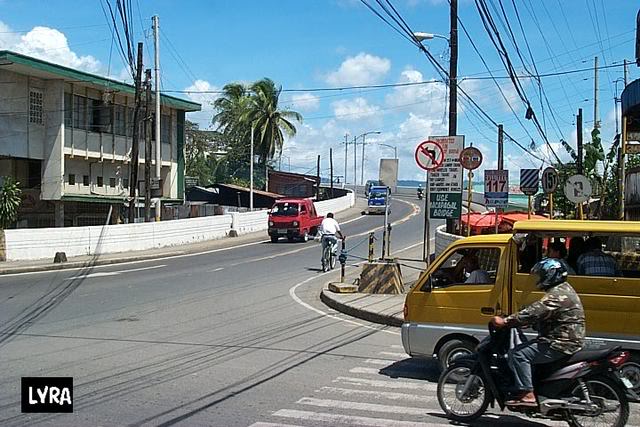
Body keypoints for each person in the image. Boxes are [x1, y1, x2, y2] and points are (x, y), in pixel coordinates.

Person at [492, 259, 585, 407]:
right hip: (564, 340)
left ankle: (528, 394)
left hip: (559, 343)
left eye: (541, 275)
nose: (539, 279)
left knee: (518, 354)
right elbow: (545, 315)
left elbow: (535, 311)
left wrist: (506, 321)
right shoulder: (564, 289)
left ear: (551, 275)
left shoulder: (557, 294)